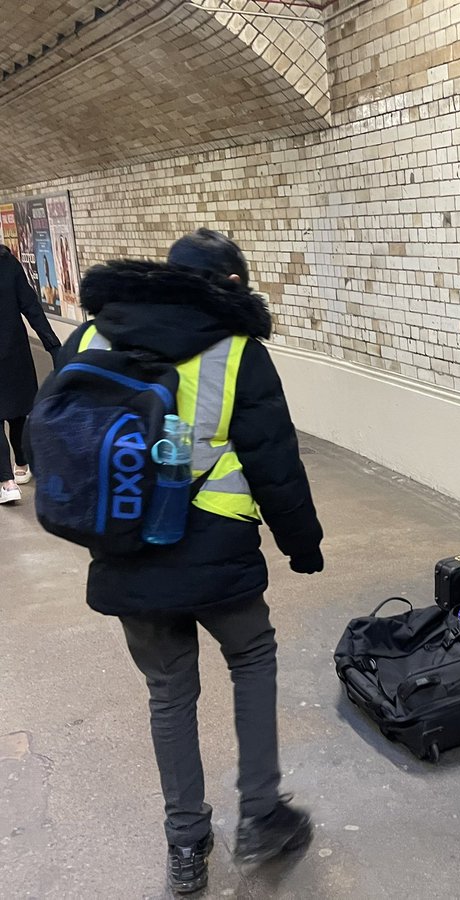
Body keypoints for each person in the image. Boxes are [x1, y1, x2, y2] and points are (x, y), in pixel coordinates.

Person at [54, 230, 324, 893]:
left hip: (125, 551)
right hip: (216, 548)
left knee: (169, 692)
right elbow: (274, 462)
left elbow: (63, 443)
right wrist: (303, 544)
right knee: (252, 658)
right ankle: (260, 813)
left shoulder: (90, 339)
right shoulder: (237, 351)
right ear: (231, 284)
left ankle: (185, 844)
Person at [0, 242, 61, 504]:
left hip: (12, 351)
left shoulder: (8, 263)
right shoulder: (7, 263)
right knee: (16, 410)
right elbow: (31, 306)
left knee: (13, 413)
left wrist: (52, 345)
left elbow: (30, 305)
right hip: (13, 350)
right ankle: (15, 472)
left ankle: (12, 474)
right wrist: (53, 345)